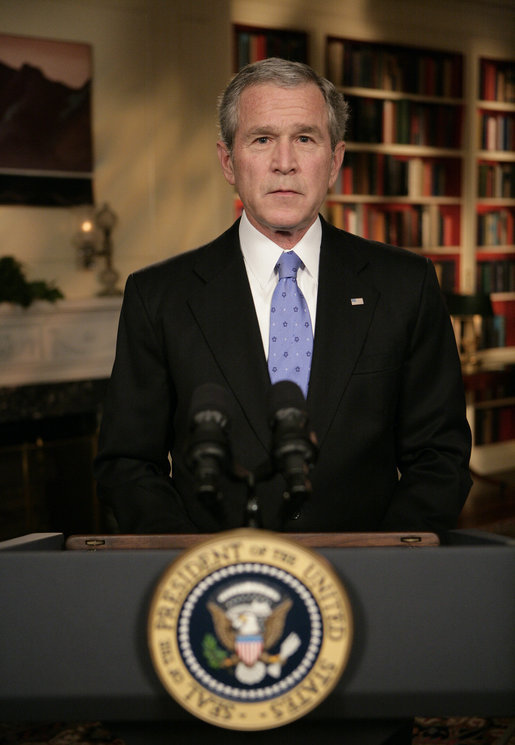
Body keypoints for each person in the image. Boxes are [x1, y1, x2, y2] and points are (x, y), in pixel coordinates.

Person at [94, 57, 471, 537]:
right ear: (229, 162)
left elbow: (440, 454)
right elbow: (128, 465)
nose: (285, 162)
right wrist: (195, 567)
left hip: (371, 585)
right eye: (262, 139)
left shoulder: (406, 284)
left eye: (305, 138)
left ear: (334, 161)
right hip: (218, 591)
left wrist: (387, 560)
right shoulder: (158, 297)